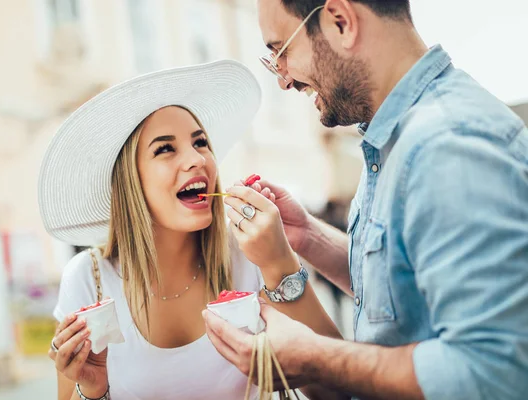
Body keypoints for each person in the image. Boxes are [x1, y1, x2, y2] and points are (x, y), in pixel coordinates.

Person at [203, 1, 528, 399]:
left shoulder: (448, 145)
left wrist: (317, 359)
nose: (283, 81)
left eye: (281, 50)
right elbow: (403, 288)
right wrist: (308, 237)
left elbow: (493, 373)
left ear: (341, 22)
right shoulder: (395, 138)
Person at [40, 60, 341, 400]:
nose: (197, 159)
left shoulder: (252, 253)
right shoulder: (88, 280)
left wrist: (279, 262)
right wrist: (92, 391)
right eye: (165, 149)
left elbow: (338, 391)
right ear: (131, 181)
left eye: (200, 143)